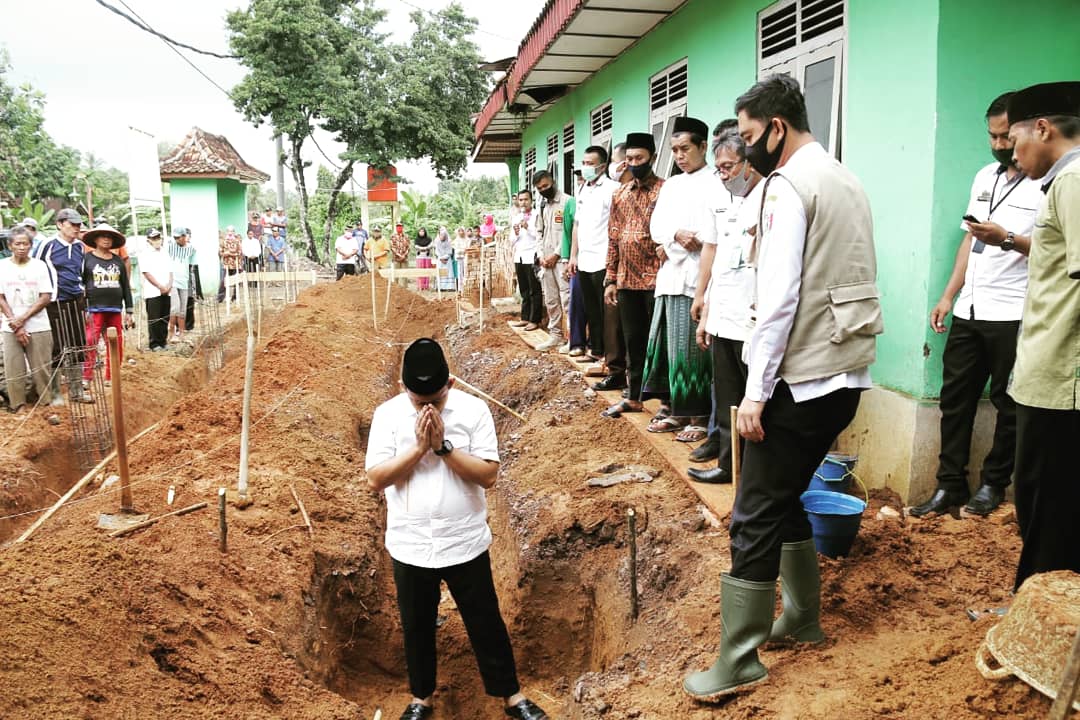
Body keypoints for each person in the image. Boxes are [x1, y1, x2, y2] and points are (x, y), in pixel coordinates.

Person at [683, 75, 883, 700]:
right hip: (844, 372)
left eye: (747, 137)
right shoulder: (844, 178)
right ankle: (800, 618)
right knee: (788, 490)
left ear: (776, 128)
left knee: (755, 510)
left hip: (799, 379)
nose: (743, 151)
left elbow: (778, 301)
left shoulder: (785, 188)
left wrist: (755, 393)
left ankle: (740, 657)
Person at [364, 339, 549, 720]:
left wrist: (444, 448)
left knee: (485, 620)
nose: (428, 408)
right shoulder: (387, 415)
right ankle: (421, 698)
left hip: (464, 538)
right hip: (410, 542)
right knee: (416, 625)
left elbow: (489, 475)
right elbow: (376, 478)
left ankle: (511, 696)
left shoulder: (474, 410)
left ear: (450, 383)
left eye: (436, 399)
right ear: (402, 389)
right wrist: (418, 449)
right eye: (419, 402)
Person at [910, 93, 1043, 517]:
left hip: (1014, 312)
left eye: (1007, 136)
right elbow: (970, 238)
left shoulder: (1050, 182)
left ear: (1025, 131)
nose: (1000, 144)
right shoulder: (984, 175)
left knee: (1007, 404)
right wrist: (949, 295)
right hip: (970, 308)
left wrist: (1006, 238)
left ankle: (992, 486)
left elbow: (1054, 250)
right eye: (993, 136)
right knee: (956, 399)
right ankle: (949, 485)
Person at [1004, 81, 1080, 590]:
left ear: (1043, 128)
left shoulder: (1074, 182)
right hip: (1046, 371)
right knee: (1038, 496)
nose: (1012, 152)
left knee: (1048, 504)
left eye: (1014, 140)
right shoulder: (1064, 182)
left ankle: (1037, 616)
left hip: (1061, 378)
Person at [688, 125, 764, 481]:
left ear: (748, 163)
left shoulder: (766, 197)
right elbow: (713, 253)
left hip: (754, 319)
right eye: (719, 168)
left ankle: (753, 475)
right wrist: (703, 302)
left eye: (730, 166)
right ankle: (727, 466)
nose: (724, 174)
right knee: (728, 398)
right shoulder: (717, 198)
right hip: (723, 313)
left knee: (756, 401)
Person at [642, 116, 717, 438]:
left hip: (700, 275)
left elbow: (718, 230)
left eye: (685, 148)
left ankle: (698, 417)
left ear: (703, 146)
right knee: (669, 347)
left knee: (693, 351)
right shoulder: (671, 185)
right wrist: (675, 235)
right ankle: (674, 409)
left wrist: (693, 239)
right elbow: (656, 227)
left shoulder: (717, 180)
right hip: (671, 274)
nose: (679, 156)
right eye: (674, 150)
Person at [600, 133, 665, 419]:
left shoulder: (665, 190)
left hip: (657, 279)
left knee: (660, 343)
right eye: (629, 159)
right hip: (626, 280)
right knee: (633, 341)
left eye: (639, 159)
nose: (634, 164)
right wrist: (611, 279)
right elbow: (613, 237)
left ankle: (667, 403)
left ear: (651, 157)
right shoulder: (620, 194)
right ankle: (634, 396)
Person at [572, 144, 628, 391]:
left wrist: (613, 264)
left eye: (590, 163)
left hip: (604, 261)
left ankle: (612, 361)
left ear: (603, 166)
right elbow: (577, 225)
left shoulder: (613, 190)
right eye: (583, 163)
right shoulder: (584, 189)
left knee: (610, 317)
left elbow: (617, 228)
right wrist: (573, 255)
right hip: (585, 260)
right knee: (592, 311)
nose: (585, 167)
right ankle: (597, 353)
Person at [33, 207, 91, 403]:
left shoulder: (80, 247)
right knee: (56, 347)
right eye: (72, 224)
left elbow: (82, 273)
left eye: (78, 225)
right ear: (60, 224)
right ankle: (56, 392)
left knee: (77, 345)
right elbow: (35, 269)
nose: (76, 228)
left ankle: (77, 390)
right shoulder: (47, 245)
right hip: (54, 304)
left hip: (76, 302)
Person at [0, 225, 54, 411]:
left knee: (42, 367)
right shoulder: (2, 266)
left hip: (38, 324)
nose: (22, 247)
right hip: (10, 326)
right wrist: (15, 323)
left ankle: (46, 403)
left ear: (31, 245)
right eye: (17, 244)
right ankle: (18, 404)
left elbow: (46, 296)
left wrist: (22, 319)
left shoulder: (39, 266)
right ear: (10, 245)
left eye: (25, 244)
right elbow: (1, 297)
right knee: (14, 368)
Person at [81, 224, 134, 385]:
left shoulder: (118, 261)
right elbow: (81, 284)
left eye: (109, 237)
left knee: (116, 342)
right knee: (90, 341)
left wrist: (129, 311)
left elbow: (125, 285)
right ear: (95, 239)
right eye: (103, 236)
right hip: (94, 308)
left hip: (115, 308)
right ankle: (87, 377)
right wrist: (83, 308)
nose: (106, 239)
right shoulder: (87, 259)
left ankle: (112, 376)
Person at [533, 171, 572, 352]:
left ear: (553, 182)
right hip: (545, 261)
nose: (543, 190)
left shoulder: (567, 202)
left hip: (562, 260)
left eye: (546, 186)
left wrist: (556, 255)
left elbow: (570, 233)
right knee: (551, 299)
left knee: (567, 298)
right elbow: (539, 232)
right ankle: (555, 335)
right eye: (539, 188)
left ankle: (573, 338)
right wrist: (541, 255)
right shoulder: (542, 205)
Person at [509, 193, 542, 331]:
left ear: (531, 200)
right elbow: (511, 240)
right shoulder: (516, 217)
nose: (523, 202)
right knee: (524, 289)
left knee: (534, 289)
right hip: (519, 256)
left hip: (532, 255)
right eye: (520, 200)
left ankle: (535, 320)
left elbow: (539, 234)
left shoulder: (537, 215)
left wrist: (527, 227)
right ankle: (525, 317)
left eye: (525, 200)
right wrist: (516, 233)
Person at [139, 229, 172, 352]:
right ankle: (154, 343)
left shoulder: (165, 252)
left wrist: (169, 285)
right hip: (153, 291)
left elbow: (170, 270)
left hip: (167, 290)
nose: (157, 240)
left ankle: (163, 341)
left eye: (158, 237)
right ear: (149, 240)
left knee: (165, 316)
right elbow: (147, 273)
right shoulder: (145, 254)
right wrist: (159, 286)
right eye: (154, 238)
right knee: (154, 318)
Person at [167, 228, 196, 343]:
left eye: (178, 237)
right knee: (175, 308)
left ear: (184, 237)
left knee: (183, 309)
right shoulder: (170, 247)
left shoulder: (191, 249)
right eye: (175, 237)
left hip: (184, 281)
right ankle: (171, 331)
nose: (176, 239)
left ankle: (182, 333)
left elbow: (193, 264)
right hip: (173, 281)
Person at [218, 226, 243, 303]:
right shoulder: (223, 241)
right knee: (223, 281)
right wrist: (225, 254)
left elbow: (240, 252)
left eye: (232, 231)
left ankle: (235, 297)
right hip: (226, 264)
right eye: (228, 231)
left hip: (236, 264)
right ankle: (220, 298)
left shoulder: (237, 241)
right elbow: (220, 252)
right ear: (226, 232)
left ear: (234, 232)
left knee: (236, 281)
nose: (230, 232)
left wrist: (229, 253)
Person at [434, 227, 456, 291]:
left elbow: (450, 252)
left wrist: (445, 258)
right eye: (441, 235)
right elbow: (437, 251)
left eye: (444, 235)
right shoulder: (437, 242)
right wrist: (441, 258)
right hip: (440, 260)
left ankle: (449, 287)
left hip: (447, 260)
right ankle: (441, 287)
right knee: (442, 272)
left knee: (448, 273)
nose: (442, 237)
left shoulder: (449, 242)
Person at [390, 223, 410, 288]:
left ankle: (405, 290)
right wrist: (399, 255)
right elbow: (392, 247)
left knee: (404, 275)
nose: (399, 228)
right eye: (398, 226)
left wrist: (404, 255)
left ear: (402, 227)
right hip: (396, 258)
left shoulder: (406, 236)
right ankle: (395, 289)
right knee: (395, 275)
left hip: (405, 259)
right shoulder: (393, 236)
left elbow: (408, 247)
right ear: (396, 228)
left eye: (400, 226)